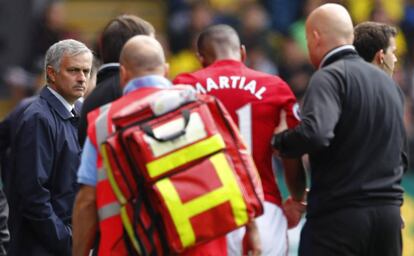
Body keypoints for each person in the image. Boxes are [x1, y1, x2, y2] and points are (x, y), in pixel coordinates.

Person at [72, 34, 261, 256]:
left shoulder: (103, 123)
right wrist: (253, 230)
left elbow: (87, 201)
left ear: (123, 74)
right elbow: (240, 170)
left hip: (131, 246)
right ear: (166, 70)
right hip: (203, 246)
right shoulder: (203, 106)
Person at [272, 4, 406, 256]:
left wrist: (281, 140)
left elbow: (317, 133)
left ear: (315, 37)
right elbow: (400, 156)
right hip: (387, 221)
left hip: (340, 220)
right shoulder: (391, 86)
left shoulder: (329, 76)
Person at [173, 24, 306, 256]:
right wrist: (297, 198)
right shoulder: (276, 87)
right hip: (264, 209)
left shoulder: (184, 86)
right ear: (242, 52)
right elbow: (291, 151)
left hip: (207, 213)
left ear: (200, 58)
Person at [6, 39, 93, 256]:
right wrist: (68, 240)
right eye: (73, 70)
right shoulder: (38, 118)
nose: (82, 78)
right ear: (51, 74)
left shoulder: (80, 111)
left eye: (86, 71)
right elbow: (34, 196)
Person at [77, 14, 155, 147]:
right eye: (152, 47)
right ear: (133, 51)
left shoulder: (90, 101)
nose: (157, 53)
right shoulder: (138, 91)